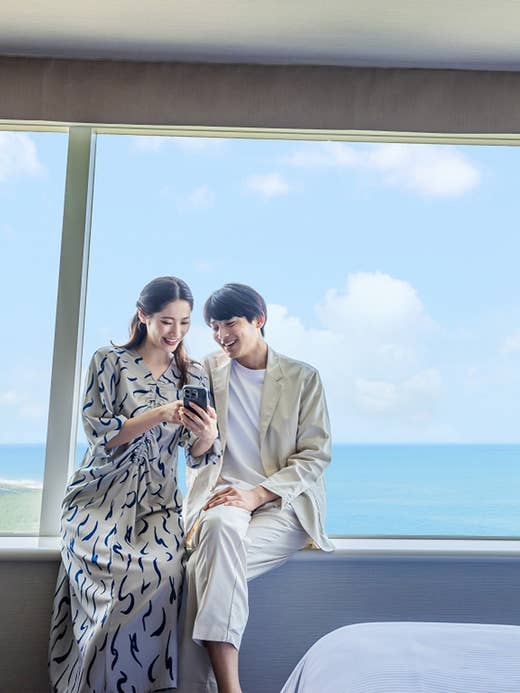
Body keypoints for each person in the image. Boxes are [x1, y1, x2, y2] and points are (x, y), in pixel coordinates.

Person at [49, 276, 219, 693]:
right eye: (166, 321)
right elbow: (101, 434)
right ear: (143, 316)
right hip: (99, 498)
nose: (176, 332)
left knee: (164, 575)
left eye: (184, 322)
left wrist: (207, 434)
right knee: (114, 590)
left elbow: (198, 455)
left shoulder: (193, 373)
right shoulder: (108, 360)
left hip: (158, 505)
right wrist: (160, 413)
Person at [178, 283, 333, 693]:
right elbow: (194, 454)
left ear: (258, 319)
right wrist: (203, 437)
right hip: (223, 498)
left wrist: (258, 494)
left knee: (200, 571)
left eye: (230, 323)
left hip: (283, 504)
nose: (221, 335)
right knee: (219, 531)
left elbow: (315, 455)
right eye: (214, 327)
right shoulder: (206, 371)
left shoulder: (302, 378)